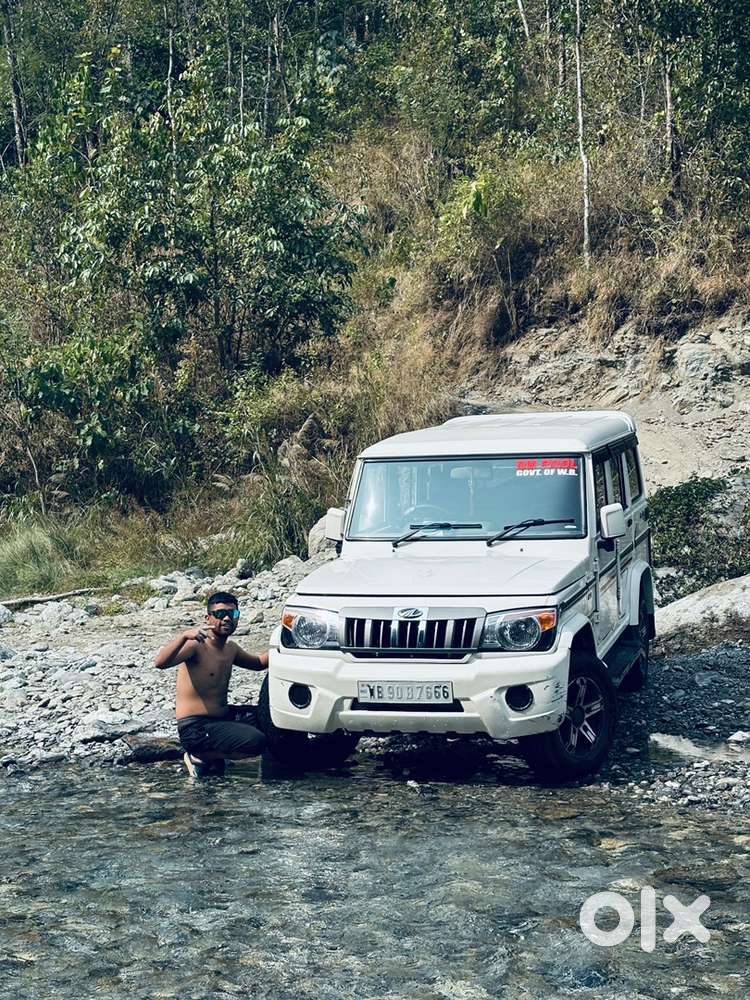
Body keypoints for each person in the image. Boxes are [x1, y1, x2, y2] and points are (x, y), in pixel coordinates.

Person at [154, 591, 269, 777]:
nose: (226, 618)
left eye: (233, 614)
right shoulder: (196, 646)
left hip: (223, 718)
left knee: (271, 721)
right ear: (207, 618)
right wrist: (184, 636)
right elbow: (160, 663)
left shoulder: (231, 648)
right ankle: (200, 756)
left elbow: (257, 664)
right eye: (220, 614)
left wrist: (286, 646)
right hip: (196, 728)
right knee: (255, 740)